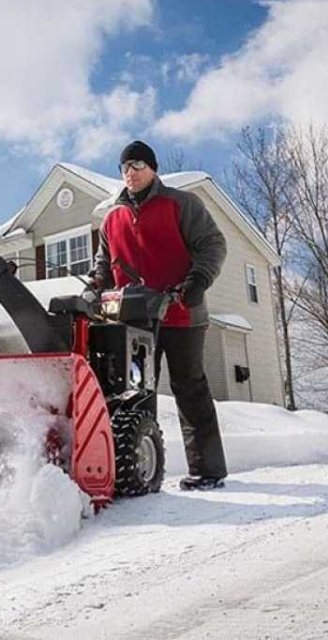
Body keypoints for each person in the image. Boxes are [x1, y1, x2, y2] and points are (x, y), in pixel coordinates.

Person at [89, 140, 229, 491]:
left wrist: (198, 280)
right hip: (135, 319)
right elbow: (103, 265)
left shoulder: (181, 204)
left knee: (189, 388)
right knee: (135, 391)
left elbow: (213, 244)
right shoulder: (112, 219)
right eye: (124, 168)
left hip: (182, 313)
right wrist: (93, 286)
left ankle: (207, 470)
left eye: (137, 165)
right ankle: (140, 470)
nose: (130, 173)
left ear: (153, 168)